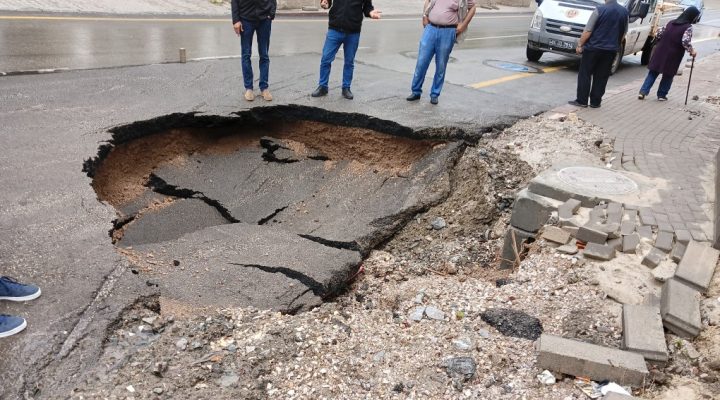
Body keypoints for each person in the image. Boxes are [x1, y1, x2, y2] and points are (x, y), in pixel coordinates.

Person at [406, 0, 476, 105]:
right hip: (431, 29)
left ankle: (435, 94)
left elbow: (473, 8)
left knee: (441, 65)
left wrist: (463, 25)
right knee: (421, 62)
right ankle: (416, 91)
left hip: (448, 31)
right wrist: (424, 16)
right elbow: (428, 1)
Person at [311, 0, 382, 100]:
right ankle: (323, 86)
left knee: (349, 62)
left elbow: (367, 8)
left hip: (353, 32)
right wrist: (325, 4)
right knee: (326, 58)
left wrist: (370, 13)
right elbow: (327, 2)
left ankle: (346, 88)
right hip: (335, 29)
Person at [568, 0, 629, 108]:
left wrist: (580, 45)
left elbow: (588, 30)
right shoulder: (624, 12)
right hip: (610, 50)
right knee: (601, 76)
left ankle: (582, 100)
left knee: (585, 73)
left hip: (593, 48)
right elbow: (624, 33)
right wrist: (616, 45)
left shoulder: (599, 10)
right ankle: (595, 102)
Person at [638, 6, 700, 101]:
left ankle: (643, 92)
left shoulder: (671, 22)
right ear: (692, 16)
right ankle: (661, 95)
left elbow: (659, 34)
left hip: (661, 51)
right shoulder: (688, 27)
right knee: (668, 74)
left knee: (653, 72)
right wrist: (692, 51)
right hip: (674, 54)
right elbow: (685, 41)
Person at [231, 0, 277, 102]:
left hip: (264, 19)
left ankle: (264, 87)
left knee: (264, 55)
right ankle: (249, 88)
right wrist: (236, 20)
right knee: (246, 55)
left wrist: (271, 13)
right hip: (245, 19)